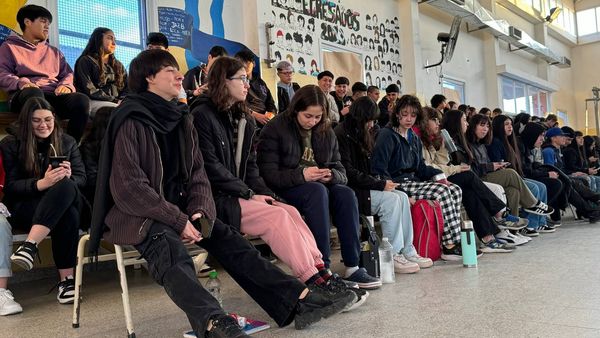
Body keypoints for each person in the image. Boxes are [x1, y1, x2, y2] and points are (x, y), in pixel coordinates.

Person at [89, 49, 355, 336]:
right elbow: (130, 189)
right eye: (170, 71)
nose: (180, 75)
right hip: (139, 215)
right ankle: (212, 320)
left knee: (232, 243)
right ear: (149, 78)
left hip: (180, 208)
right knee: (170, 251)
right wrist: (178, 220)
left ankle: (298, 299)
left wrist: (201, 209)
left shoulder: (181, 118)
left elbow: (198, 174)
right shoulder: (130, 119)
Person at [190, 56, 366, 308]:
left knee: (289, 211)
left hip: (240, 194)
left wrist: (263, 194)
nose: (247, 85)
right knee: (279, 217)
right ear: (222, 81)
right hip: (214, 198)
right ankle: (312, 280)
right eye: (242, 79)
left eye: (247, 79)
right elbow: (210, 168)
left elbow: (251, 167)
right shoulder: (201, 115)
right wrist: (250, 192)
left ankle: (322, 272)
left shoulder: (242, 118)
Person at [257, 85, 381, 289]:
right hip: (286, 188)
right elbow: (267, 174)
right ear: (296, 109)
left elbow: (341, 170)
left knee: (345, 194)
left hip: (319, 186)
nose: (312, 122)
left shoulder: (326, 130)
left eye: (317, 117)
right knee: (317, 192)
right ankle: (322, 267)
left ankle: (353, 266)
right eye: (308, 116)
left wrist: (332, 175)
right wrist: (302, 175)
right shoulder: (275, 128)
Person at [0, 97, 85, 304]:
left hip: (66, 202)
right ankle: (67, 281)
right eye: (36, 120)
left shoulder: (67, 141)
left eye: (48, 119)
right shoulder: (10, 144)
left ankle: (30, 246)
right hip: (26, 207)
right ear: (26, 122)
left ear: (54, 119)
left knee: (66, 186)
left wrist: (69, 177)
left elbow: (82, 179)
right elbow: (10, 186)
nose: (43, 125)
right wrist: (42, 183)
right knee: (67, 212)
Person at [335, 97, 433, 272]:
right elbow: (348, 172)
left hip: (368, 185)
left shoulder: (367, 131)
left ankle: (407, 249)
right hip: (354, 190)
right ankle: (392, 253)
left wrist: (381, 183)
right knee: (392, 201)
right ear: (360, 118)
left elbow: (373, 167)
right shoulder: (342, 134)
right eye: (369, 120)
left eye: (373, 120)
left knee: (402, 196)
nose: (372, 124)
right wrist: (379, 183)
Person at [371, 95, 465, 261]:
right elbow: (380, 169)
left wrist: (440, 176)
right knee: (442, 192)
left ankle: (452, 242)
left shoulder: (413, 138)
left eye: (413, 115)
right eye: (405, 114)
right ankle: (450, 246)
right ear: (397, 114)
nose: (409, 119)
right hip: (397, 183)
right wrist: (401, 192)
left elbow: (420, 167)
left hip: (413, 181)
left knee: (454, 189)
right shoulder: (387, 135)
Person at [421, 108, 519, 251]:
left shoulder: (434, 140)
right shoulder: (423, 140)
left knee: (469, 192)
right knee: (469, 175)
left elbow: (440, 162)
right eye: (464, 120)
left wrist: (442, 145)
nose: (438, 123)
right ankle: (499, 213)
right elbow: (430, 167)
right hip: (432, 179)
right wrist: (456, 168)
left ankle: (488, 238)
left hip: (443, 176)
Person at [0, 4, 90, 141]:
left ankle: (69, 146)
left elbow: (67, 74)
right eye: (43, 21)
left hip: (53, 95)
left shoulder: (54, 52)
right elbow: (2, 73)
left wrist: (66, 85)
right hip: (25, 95)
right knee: (34, 94)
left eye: (49, 23)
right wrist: (22, 83)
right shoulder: (9, 47)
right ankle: (37, 143)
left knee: (81, 101)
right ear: (27, 22)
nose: (47, 26)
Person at [461, 114, 553, 220]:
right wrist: (491, 166)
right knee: (511, 174)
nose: (485, 129)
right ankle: (532, 203)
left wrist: (496, 166)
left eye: (487, 126)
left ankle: (514, 227)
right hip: (478, 178)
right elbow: (472, 168)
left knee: (513, 191)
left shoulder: (482, 144)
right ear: (473, 126)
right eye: (482, 125)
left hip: (487, 174)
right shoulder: (470, 144)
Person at [488, 115, 558, 234]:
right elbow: (499, 163)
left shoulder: (510, 141)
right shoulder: (495, 142)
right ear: (498, 126)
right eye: (506, 124)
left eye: (510, 124)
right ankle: (531, 217)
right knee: (535, 187)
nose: (510, 126)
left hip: (514, 176)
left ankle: (533, 224)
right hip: (503, 176)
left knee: (541, 186)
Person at [520, 122, 600, 225]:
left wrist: (576, 172)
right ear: (553, 138)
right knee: (567, 182)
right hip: (546, 177)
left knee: (577, 181)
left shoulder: (551, 150)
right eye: (561, 136)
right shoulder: (548, 151)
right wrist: (550, 174)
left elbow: (554, 168)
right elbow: (549, 168)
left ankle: (591, 206)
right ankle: (593, 204)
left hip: (553, 175)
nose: (564, 138)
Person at [74, 27, 127, 117]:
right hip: (94, 101)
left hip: (118, 103)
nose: (114, 43)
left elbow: (128, 88)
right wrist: (115, 100)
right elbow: (90, 90)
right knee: (118, 113)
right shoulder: (85, 61)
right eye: (110, 38)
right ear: (98, 39)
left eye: (115, 40)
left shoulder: (119, 65)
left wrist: (123, 100)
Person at [235, 49, 277, 128]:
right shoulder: (236, 81)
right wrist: (255, 115)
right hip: (247, 119)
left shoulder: (261, 82)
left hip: (265, 120)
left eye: (247, 62)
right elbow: (236, 104)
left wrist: (271, 113)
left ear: (253, 64)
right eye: (241, 62)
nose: (244, 65)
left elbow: (270, 102)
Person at [145, 32, 188, 104]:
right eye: (150, 48)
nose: (153, 52)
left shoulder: (172, 67)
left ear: (167, 51)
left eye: (158, 48)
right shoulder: (140, 68)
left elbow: (181, 96)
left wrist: (184, 110)